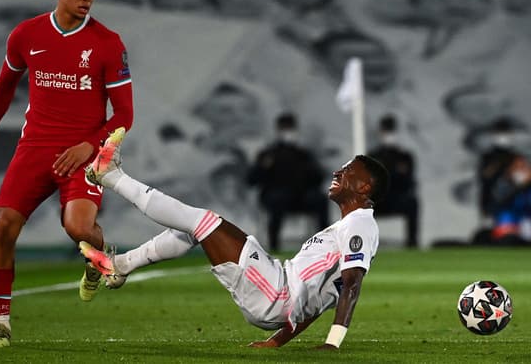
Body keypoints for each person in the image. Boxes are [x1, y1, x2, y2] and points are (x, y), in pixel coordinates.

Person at [80, 127, 390, 349]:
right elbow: (317, 301)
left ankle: (110, 175)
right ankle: (119, 266)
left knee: (203, 221)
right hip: (275, 291)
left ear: (364, 188)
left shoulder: (360, 225)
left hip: (274, 292)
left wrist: (332, 344)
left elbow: (352, 285)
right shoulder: (351, 227)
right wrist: (277, 341)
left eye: (348, 171)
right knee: (195, 230)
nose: (338, 172)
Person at [0, 0, 134, 348]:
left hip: (85, 152)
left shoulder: (108, 44)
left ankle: (98, 252)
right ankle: (1, 325)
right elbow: (2, 89)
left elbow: (125, 114)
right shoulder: (26, 35)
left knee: (76, 228)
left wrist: (90, 145)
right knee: (5, 226)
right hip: (35, 147)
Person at [247, 112, 330, 251]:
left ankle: (326, 243)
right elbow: (251, 180)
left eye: (291, 128)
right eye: (285, 129)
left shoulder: (303, 154)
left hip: (301, 197)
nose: (288, 132)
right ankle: (274, 245)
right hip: (275, 197)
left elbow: (318, 178)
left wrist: (310, 172)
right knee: (279, 199)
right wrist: (263, 167)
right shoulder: (268, 154)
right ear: (278, 130)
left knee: (320, 199)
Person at [477, 118, 531, 244]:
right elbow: (486, 182)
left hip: (526, 216)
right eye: (501, 133)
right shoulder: (489, 159)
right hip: (503, 212)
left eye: (507, 133)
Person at [367, 114, 420, 248]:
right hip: (377, 201)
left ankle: (412, 243)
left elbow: (407, 180)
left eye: (391, 130)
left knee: (412, 202)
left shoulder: (404, 156)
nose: (389, 134)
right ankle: (363, 244)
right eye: (386, 130)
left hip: (397, 198)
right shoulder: (373, 155)